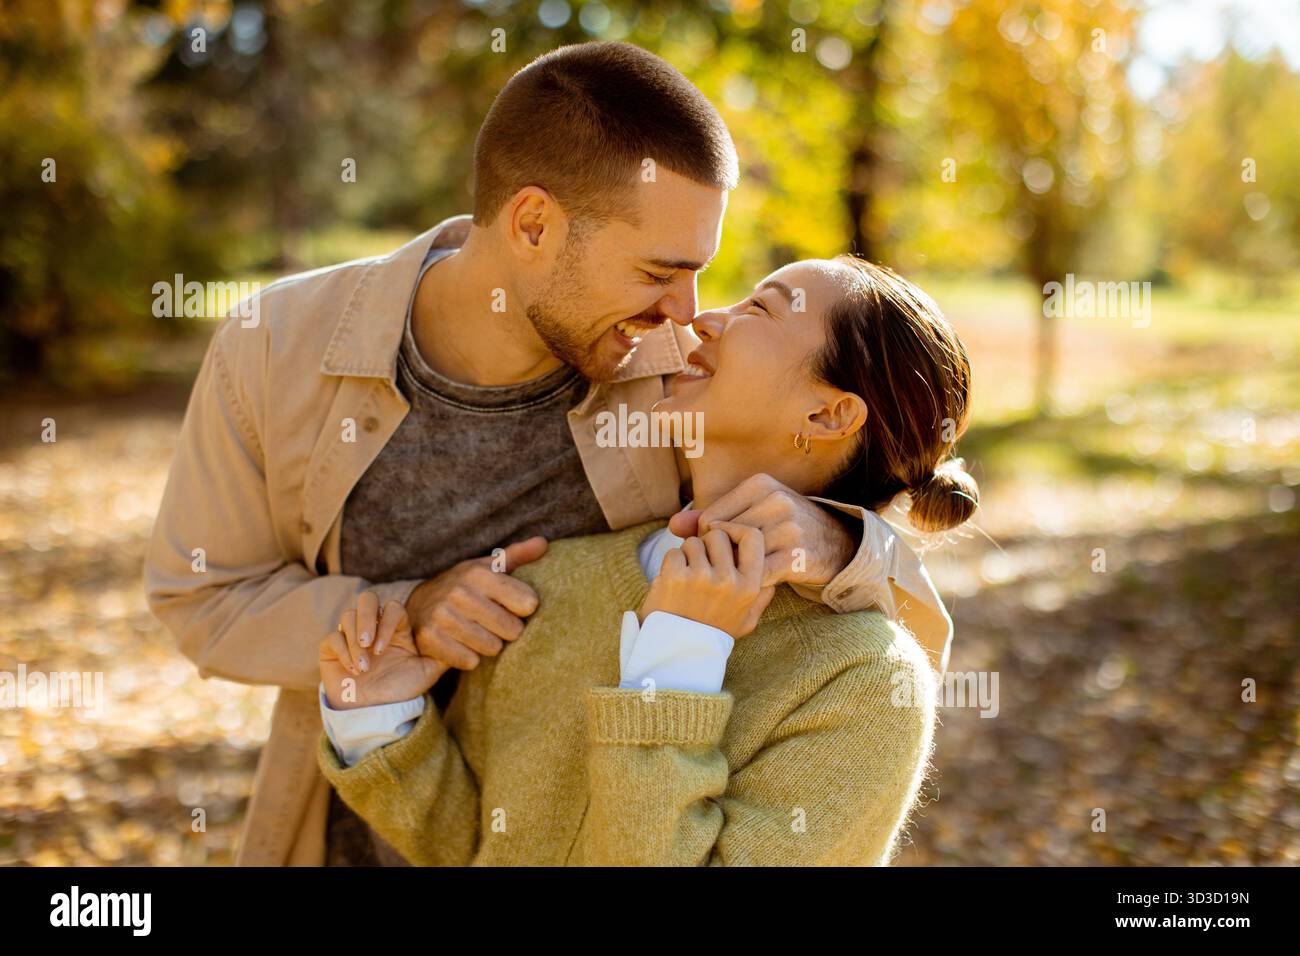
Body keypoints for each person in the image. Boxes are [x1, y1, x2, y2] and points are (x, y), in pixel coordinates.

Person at [145, 41, 952, 866]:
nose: (686, 314)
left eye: (703, 274)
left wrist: (837, 537)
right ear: (533, 224)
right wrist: (406, 614)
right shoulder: (275, 344)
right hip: (358, 813)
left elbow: (876, 552)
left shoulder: (678, 380)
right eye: (657, 271)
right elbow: (202, 597)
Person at [316, 255, 977, 865]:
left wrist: (680, 655)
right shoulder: (550, 583)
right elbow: (474, 849)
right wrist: (380, 721)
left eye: (761, 311)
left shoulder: (864, 684)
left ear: (830, 413)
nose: (704, 319)